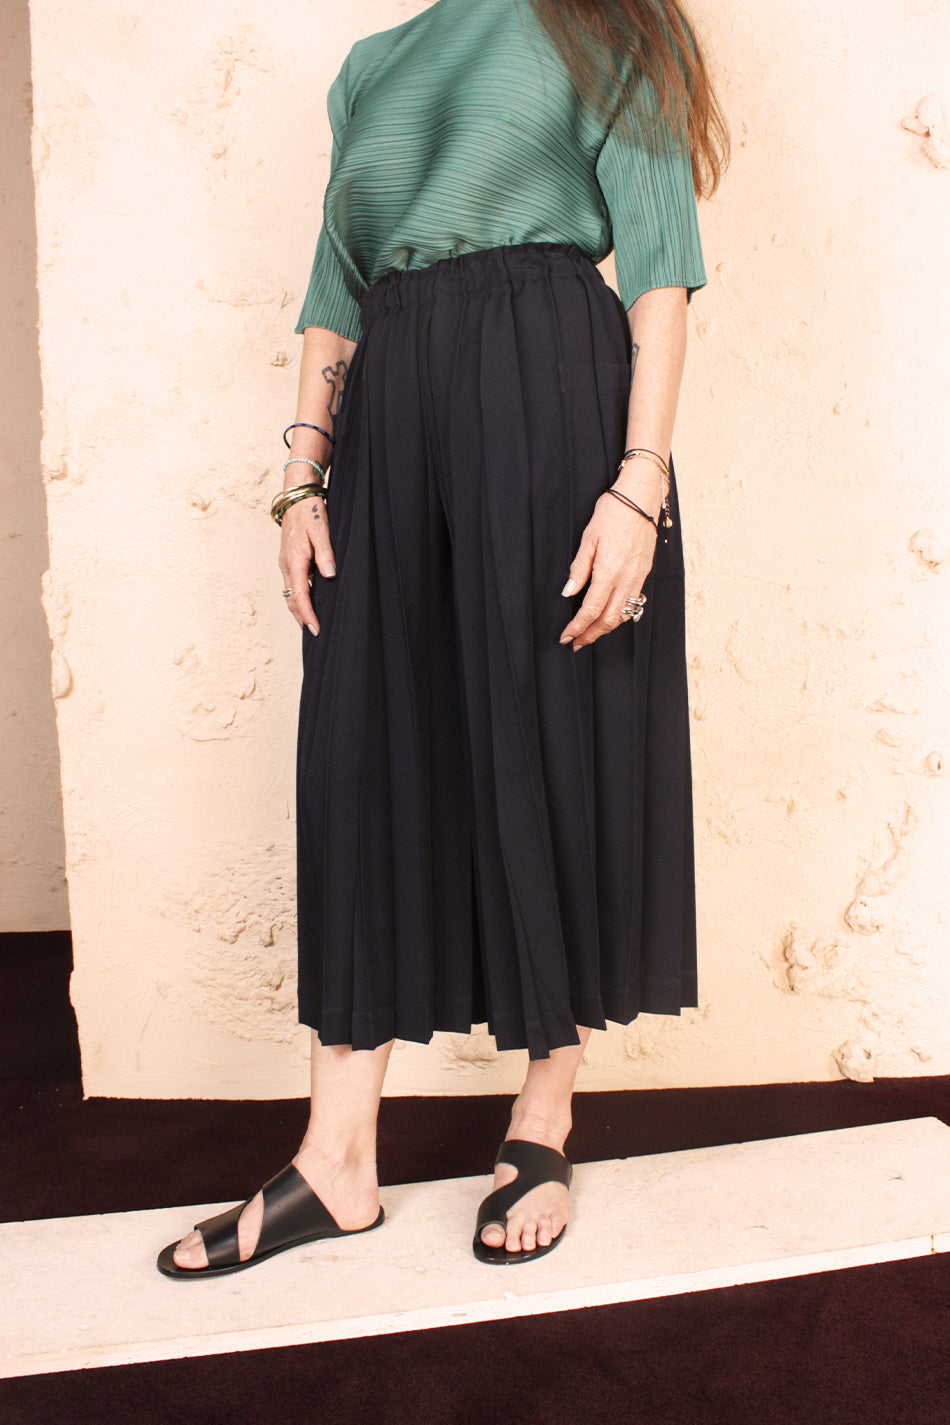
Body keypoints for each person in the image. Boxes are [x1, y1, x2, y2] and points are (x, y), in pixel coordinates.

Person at [157, 0, 728, 1278]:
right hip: (391, 415)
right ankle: (334, 1161)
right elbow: (336, 289)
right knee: (362, 752)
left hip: (550, 390)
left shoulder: (610, 26)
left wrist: (637, 485)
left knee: (552, 732)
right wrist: (301, 479)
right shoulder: (372, 64)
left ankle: (542, 1115)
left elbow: (659, 271)